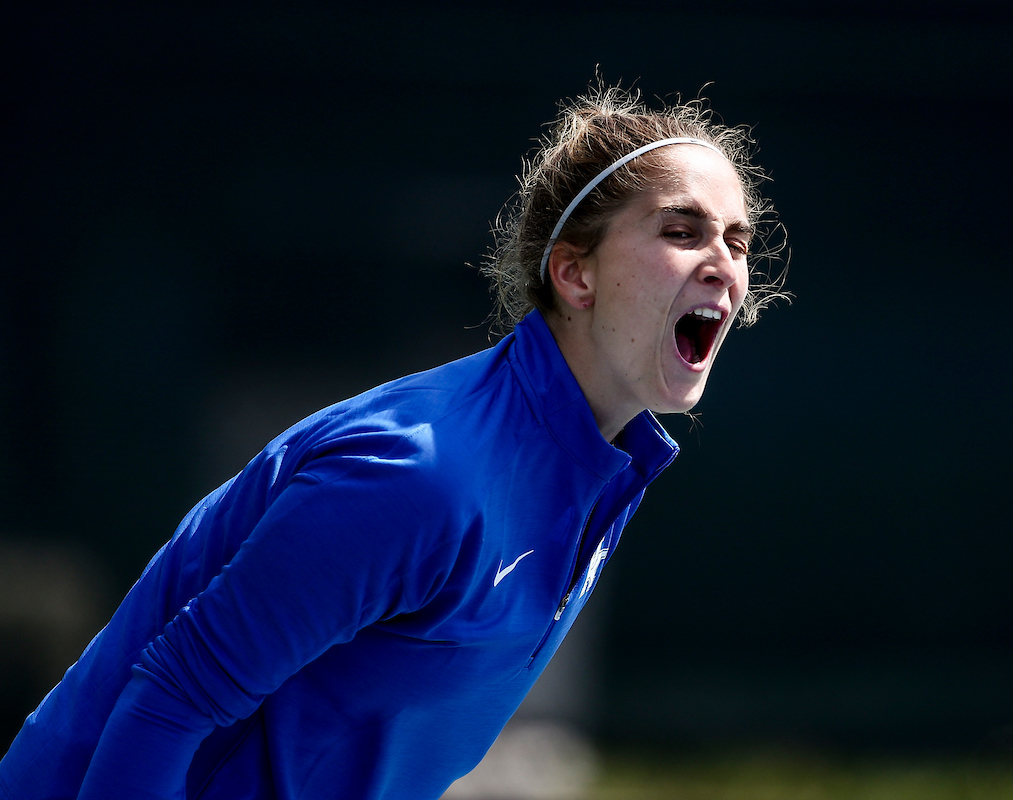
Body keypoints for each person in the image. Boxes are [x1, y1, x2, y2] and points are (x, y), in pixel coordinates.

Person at [0, 84, 786, 800]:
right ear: (574, 276)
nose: (725, 264)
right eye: (682, 231)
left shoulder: (598, 474)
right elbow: (169, 700)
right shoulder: (419, 477)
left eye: (740, 240)